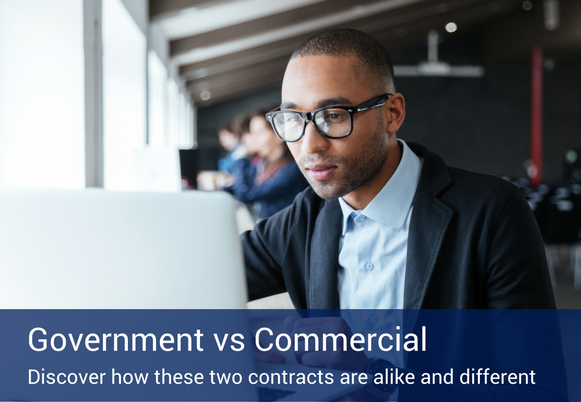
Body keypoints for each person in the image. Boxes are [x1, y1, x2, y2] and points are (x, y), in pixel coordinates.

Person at [239, 29, 559, 400]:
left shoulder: (490, 213)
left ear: (392, 114)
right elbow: (196, 276)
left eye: (334, 115)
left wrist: (370, 373)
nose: (310, 144)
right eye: (294, 119)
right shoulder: (305, 218)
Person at [231, 107, 308, 219]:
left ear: (278, 135)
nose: (254, 139)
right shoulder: (264, 164)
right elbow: (242, 186)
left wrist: (241, 157)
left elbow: (246, 194)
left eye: (259, 133)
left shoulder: (293, 168)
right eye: (253, 133)